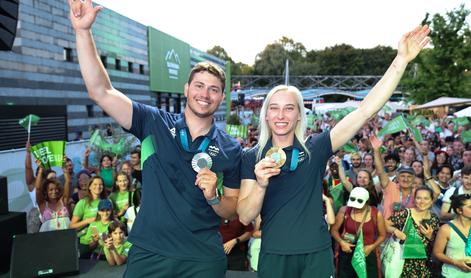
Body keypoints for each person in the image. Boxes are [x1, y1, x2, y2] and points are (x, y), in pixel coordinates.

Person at [237, 24, 431, 277]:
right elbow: (244, 216)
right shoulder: (251, 156)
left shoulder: (315, 147)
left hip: (315, 253)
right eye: (274, 108)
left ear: (298, 115)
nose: (281, 115)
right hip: (274, 254)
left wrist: (401, 60)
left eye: (289, 108)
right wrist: (261, 184)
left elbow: (365, 110)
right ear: (265, 115)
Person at [69, 1, 242, 277]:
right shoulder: (153, 122)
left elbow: (232, 210)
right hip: (150, 253)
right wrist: (82, 31)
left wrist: (213, 196)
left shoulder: (232, 148)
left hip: (202, 258)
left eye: (214, 89)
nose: (205, 94)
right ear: (186, 89)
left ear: (222, 97)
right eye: (199, 86)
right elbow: (101, 91)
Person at [331, 187, 386, 277]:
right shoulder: (345, 210)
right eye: (353, 205)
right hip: (347, 252)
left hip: (367, 253)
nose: (355, 208)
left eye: (359, 206)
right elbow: (334, 230)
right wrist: (342, 242)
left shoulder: (376, 214)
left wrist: (372, 247)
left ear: (366, 202)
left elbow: (382, 235)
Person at [385, 186, 440, 277]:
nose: (422, 202)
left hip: (424, 265)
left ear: (431, 201)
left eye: (426, 198)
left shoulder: (434, 218)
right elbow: (384, 224)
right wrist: (395, 230)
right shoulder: (406, 213)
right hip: (403, 263)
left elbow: (437, 246)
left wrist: (430, 237)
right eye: (418, 198)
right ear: (414, 200)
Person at [433, 194, 471, 277]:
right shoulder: (446, 229)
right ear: (459, 210)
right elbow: (437, 253)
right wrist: (456, 262)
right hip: (451, 275)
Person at [34, 158, 72, 232]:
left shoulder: (64, 201)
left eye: (56, 189)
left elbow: (68, 181)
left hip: (66, 237)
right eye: (51, 190)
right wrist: (40, 170)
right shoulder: (43, 204)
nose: (54, 191)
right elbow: (38, 189)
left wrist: (64, 167)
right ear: (46, 192)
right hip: (48, 239)